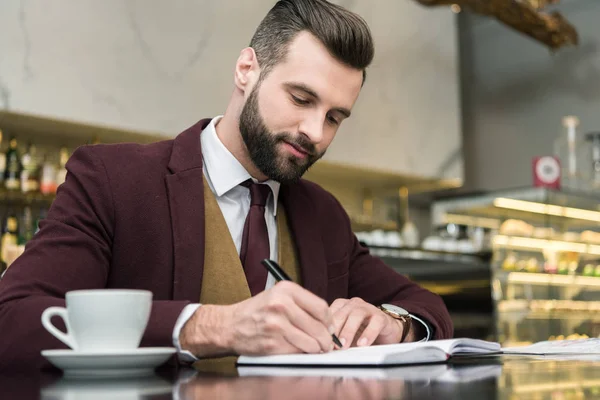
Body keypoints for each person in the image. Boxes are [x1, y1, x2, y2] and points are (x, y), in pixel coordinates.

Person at [0, 0, 452, 369]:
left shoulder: (324, 214)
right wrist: (209, 327)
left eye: (335, 117)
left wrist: (395, 323)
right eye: (301, 98)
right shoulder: (113, 181)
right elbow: (13, 319)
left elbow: (423, 304)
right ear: (245, 70)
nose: (316, 132)